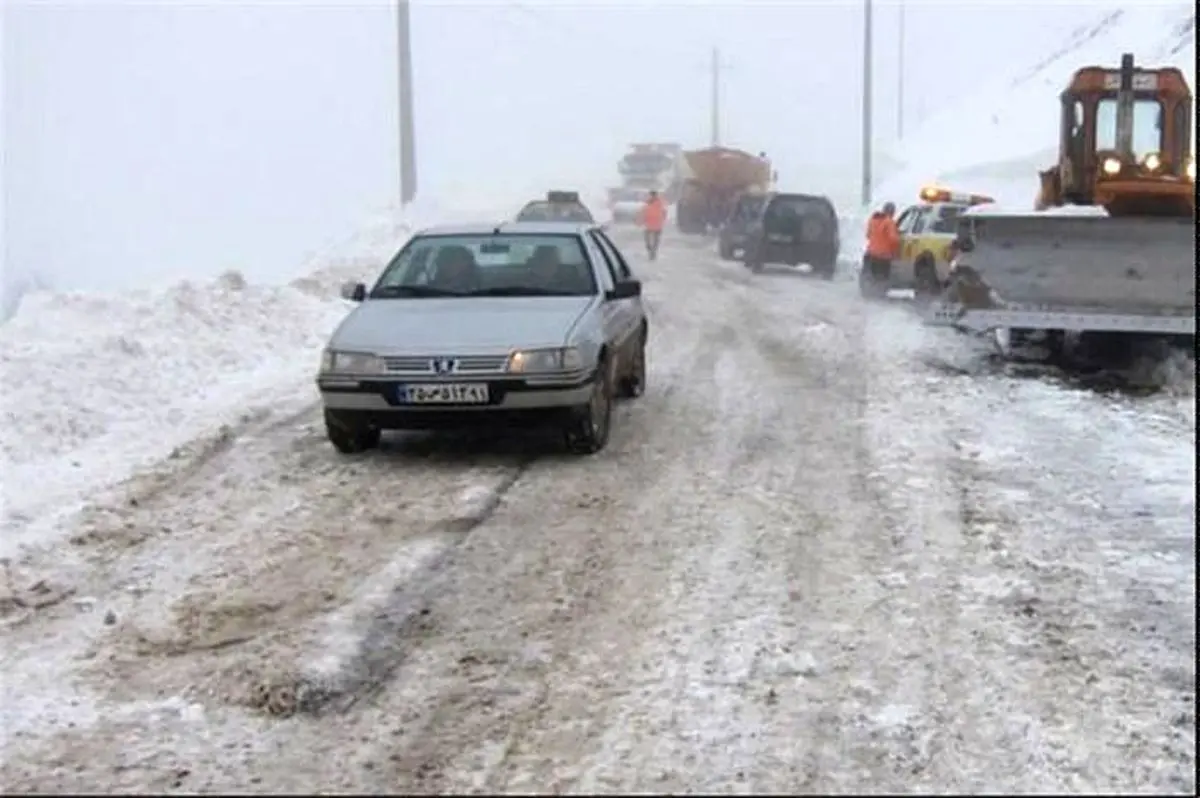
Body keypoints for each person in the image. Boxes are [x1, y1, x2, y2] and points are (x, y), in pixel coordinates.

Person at [861, 201, 901, 299]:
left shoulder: (873, 220)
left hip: (870, 255)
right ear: (892, 212)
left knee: (869, 277)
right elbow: (893, 239)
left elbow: (868, 235)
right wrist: (896, 250)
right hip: (883, 257)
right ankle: (878, 299)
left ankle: (867, 295)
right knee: (881, 280)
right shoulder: (889, 222)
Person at [639, 190, 668, 261]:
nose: (651, 196)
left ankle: (653, 252)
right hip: (650, 224)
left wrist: (663, 220)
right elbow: (643, 212)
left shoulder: (659, 203)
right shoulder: (648, 203)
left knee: (655, 240)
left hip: (656, 224)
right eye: (651, 195)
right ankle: (651, 251)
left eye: (652, 195)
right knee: (649, 241)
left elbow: (664, 212)